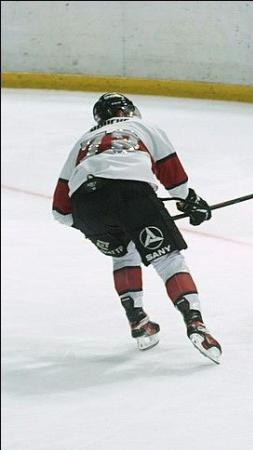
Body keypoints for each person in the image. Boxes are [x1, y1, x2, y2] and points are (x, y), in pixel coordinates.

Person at [51, 92, 222, 364]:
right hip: (132, 194)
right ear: (130, 110)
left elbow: (60, 210)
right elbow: (172, 175)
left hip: (86, 205)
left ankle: (138, 321)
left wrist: (89, 224)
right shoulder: (143, 127)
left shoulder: (83, 141)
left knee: (123, 253)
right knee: (168, 259)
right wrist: (190, 201)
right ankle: (196, 324)